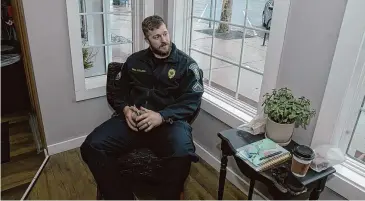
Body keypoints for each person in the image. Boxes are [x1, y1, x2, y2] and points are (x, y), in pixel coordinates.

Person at [80, 15, 204, 200]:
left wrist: (162, 116)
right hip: (133, 122)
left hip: (169, 124)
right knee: (91, 146)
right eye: (156, 37)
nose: (164, 40)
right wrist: (125, 109)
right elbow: (118, 92)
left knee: (183, 153)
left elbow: (191, 101)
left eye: (165, 34)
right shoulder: (134, 61)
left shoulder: (187, 66)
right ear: (147, 39)